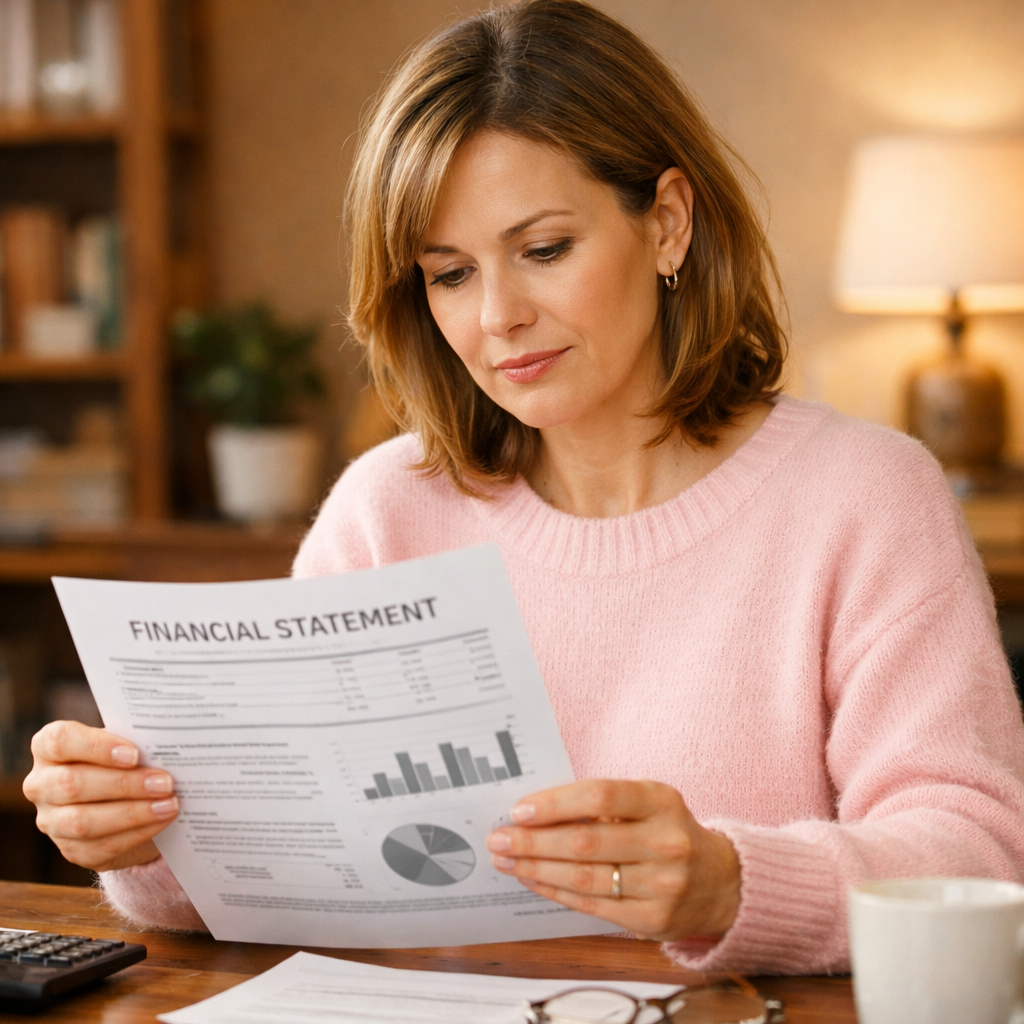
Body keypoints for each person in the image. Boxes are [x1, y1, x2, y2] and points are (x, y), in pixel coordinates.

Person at [23, 0, 1024, 975]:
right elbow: (282, 876)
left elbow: (979, 853)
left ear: (668, 223)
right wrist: (146, 840)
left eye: (543, 250)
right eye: (450, 273)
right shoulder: (387, 508)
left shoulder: (865, 497)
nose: (497, 315)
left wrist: (728, 883)